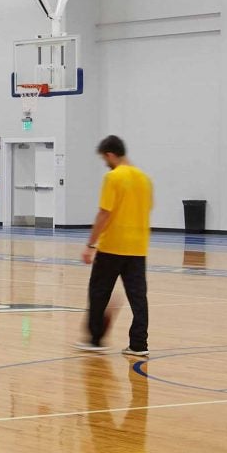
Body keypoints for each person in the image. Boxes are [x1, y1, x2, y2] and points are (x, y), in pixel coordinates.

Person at [79, 135, 154, 358]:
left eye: (104, 158)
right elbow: (147, 208)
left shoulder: (113, 177)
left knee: (99, 292)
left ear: (110, 154)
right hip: (138, 248)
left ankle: (95, 340)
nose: (105, 162)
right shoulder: (144, 179)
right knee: (138, 297)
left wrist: (90, 244)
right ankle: (139, 344)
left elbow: (105, 212)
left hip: (112, 246)